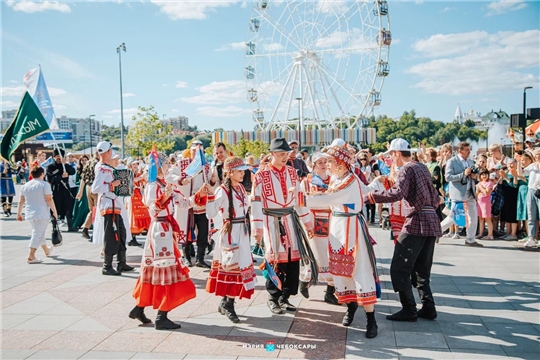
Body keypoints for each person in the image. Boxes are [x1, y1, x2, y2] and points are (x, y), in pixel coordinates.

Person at [307, 145, 381, 337]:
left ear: (340, 163)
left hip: (352, 229)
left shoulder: (350, 181)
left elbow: (328, 199)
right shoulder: (336, 178)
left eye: (330, 161)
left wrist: (300, 199)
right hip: (338, 227)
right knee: (341, 271)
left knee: (360, 270)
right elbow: (327, 197)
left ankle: (371, 320)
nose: (327, 165)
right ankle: (351, 307)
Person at [366, 138, 442, 322]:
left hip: (416, 220)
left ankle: (409, 309)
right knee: (422, 269)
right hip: (431, 219)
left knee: (399, 268)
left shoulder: (406, 169)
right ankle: (428, 307)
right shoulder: (422, 166)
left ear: (397, 153)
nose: (390, 159)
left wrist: (371, 196)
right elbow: (436, 197)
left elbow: (397, 193)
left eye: (391, 155)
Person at [130, 151, 199, 330]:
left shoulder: (165, 184)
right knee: (165, 270)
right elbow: (153, 209)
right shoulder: (153, 185)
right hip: (160, 232)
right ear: (158, 167)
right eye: (166, 164)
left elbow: (184, 203)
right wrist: (165, 196)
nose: (169, 166)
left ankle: (140, 308)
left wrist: (200, 195)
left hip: (166, 230)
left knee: (157, 270)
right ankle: (162, 316)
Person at [251, 138, 314, 315]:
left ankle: (285, 297)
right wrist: (257, 229)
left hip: (290, 218)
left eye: (286, 153)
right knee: (275, 260)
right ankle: (273, 297)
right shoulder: (261, 175)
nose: (285, 156)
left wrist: (307, 223)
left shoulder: (293, 173)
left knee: (293, 260)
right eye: (281, 153)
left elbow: (300, 199)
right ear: (272, 154)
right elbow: (255, 201)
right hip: (271, 220)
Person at [204, 156, 257, 323]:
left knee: (239, 267)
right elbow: (210, 214)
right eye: (239, 171)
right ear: (229, 172)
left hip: (242, 231)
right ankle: (229, 304)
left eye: (243, 171)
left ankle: (226, 302)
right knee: (231, 267)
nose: (242, 174)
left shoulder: (240, 188)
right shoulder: (222, 190)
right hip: (230, 232)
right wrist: (210, 198)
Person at [298, 152, 339, 305]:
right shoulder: (307, 181)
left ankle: (330, 291)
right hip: (314, 221)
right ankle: (305, 280)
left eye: (325, 161)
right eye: (319, 162)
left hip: (332, 221)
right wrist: (306, 222)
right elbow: (301, 202)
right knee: (314, 254)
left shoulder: (334, 180)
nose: (322, 164)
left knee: (331, 255)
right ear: (314, 165)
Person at [91, 142, 132, 276]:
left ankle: (121, 262)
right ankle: (107, 265)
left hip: (114, 205)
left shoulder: (106, 167)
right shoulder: (102, 168)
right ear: (108, 152)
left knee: (121, 233)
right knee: (110, 235)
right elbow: (95, 188)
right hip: (109, 205)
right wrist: (111, 185)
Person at [440, 142, 483, 247]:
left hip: (470, 192)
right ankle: (436, 231)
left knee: (473, 217)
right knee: (454, 217)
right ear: (460, 151)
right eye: (467, 150)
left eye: (469, 149)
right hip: (458, 193)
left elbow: (476, 176)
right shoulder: (452, 161)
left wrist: (474, 176)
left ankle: (470, 239)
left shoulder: (470, 161)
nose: (469, 152)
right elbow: (448, 177)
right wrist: (463, 174)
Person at [16, 166, 57, 264]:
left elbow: (21, 201)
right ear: (42, 174)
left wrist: (19, 213)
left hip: (29, 212)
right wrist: (54, 211)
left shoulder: (25, 186)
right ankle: (31, 255)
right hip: (42, 212)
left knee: (38, 232)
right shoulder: (45, 185)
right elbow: (49, 199)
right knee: (37, 233)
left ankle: (46, 250)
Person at [46, 148, 76, 231]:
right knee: (55, 208)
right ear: (54, 157)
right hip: (56, 190)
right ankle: (55, 227)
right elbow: (50, 179)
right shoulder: (50, 167)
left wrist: (65, 164)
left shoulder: (65, 165)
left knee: (68, 207)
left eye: (60, 156)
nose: (59, 158)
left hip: (66, 189)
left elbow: (73, 171)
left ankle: (71, 226)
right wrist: (60, 177)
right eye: (57, 156)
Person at [79, 152, 99, 240]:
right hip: (96, 187)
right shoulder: (99, 164)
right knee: (98, 210)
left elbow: (83, 178)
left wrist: (80, 191)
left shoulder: (88, 163)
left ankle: (85, 228)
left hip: (88, 187)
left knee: (92, 210)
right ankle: (96, 232)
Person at [72, 155, 90, 230]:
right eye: (82, 160)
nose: (84, 161)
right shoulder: (79, 170)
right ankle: (78, 222)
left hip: (88, 189)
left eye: (85, 160)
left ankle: (87, 223)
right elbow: (76, 181)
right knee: (80, 206)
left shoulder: (90, 169)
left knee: (87, 206)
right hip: (81, 189)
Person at [476, 169, 494, 240]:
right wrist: (477, 190)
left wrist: (480, 187)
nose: (484, 176)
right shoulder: (480, 183)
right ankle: (481, 233)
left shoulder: (489, 183)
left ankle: (490, 235)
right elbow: (476, 193)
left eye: (485, 174)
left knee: (487, 218)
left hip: (486, 203)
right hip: (479, 202)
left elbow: (487, 193)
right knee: (480, 219)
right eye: (482, 174)